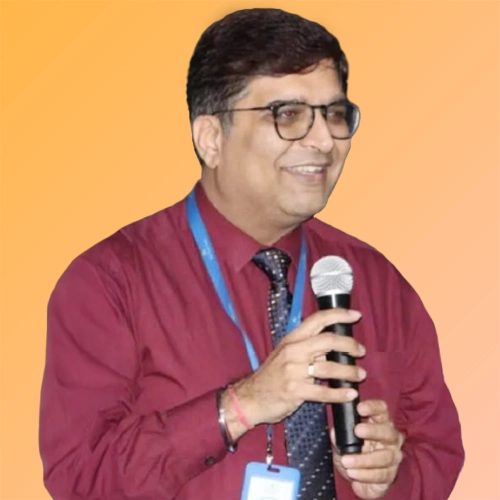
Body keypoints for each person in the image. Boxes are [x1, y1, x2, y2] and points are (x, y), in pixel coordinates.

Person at [39, 8, 464, 500]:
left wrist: (391, 474)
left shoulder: (375, 281)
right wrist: (239, 407)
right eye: (288, 115)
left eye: (334, 114)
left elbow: (437, 451)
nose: (324, 140)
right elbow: (80, 478)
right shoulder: (108, 283)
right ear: (211, 139)